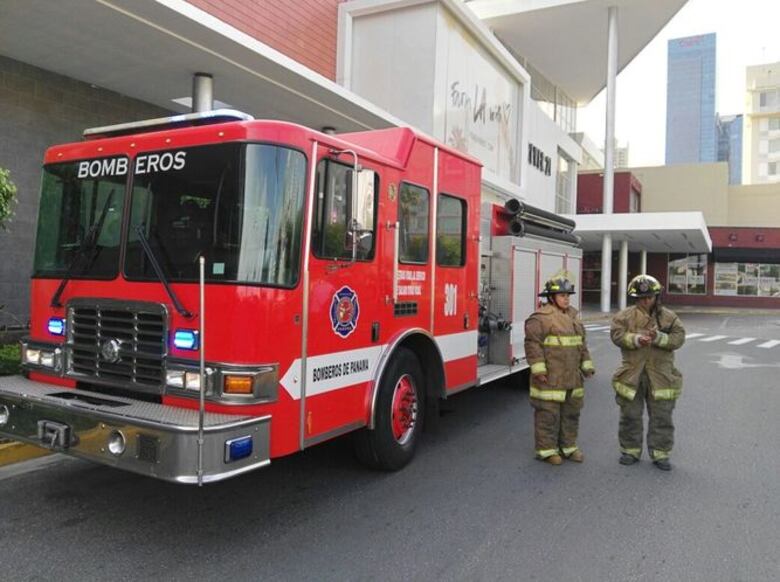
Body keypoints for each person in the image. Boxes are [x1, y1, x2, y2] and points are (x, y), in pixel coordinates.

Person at [610, 274, 686, 471]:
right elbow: (616, 336)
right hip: (631, 376)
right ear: (635, 299)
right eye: (641, 298)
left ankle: (661, 454)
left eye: (649, 297)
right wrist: (635, 339)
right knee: (630, 416)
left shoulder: (668, 317)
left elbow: (678, 339)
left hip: (661, 377)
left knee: (662, 417)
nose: (645, 301)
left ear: (656, 297)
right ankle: (630, 451)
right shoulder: (624, 316)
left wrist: (659, 338)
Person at [524, 275, 595, 465]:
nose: (566, 299)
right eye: (561, 295)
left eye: (567, 295)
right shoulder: (540, 319)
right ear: (551, 297)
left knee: (571, 414)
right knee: (548, 415)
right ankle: (547, 451)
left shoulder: (573, 317)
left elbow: (581, 345)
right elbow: (533, 345)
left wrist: (587, 366)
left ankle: (569, 447)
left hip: (572, 377)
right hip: (550, 378)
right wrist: (539, 370)